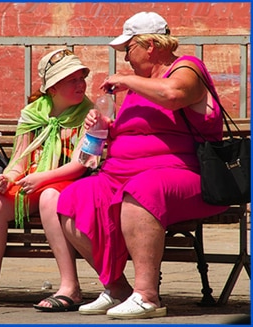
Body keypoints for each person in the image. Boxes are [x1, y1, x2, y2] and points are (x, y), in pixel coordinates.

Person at [57, 11, 229, 319]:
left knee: (142, 190)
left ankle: (147, 295)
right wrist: (104, 125)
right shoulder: (141, 85)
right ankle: (118, 288)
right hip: (119, 174)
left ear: (149, 45)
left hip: (183, 175)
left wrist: (126, 80)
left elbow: (174, 95)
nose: (125, 60)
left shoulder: (187, 68)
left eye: (128, 50)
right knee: (71, 199)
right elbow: (135, 133)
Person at [0, 49, 93, 312]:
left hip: (71, 183)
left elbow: (82, 164)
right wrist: (8, 177)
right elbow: (20, 159)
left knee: (50, 197)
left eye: (81, 77)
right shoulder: (32, 113)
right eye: (71, 79)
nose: (80, 84)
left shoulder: (89, 114)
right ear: (52, 88)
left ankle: (70, 287)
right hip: (33, 181)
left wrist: (42, 179)